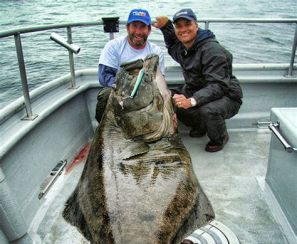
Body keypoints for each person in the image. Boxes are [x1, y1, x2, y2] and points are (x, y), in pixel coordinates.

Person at [154, 9, 243, 152]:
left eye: (187, 24)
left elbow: (218, 85)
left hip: (227, 95)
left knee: (208, 110)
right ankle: (200, 125)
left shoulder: (213, 50)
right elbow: (172, 46)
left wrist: (192, 100)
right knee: (169, 98)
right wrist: (166, 27)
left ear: (196, 25)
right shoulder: (185, 48)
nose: (183, 30)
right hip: (197, 90)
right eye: (179, 26)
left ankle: (220, 137)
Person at [95, 8, 165, 123]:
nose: (138, 32)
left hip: (146, 94)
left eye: (142, 27)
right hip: (120, 91)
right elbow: (104, 77)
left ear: (149, 30)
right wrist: (127, 88)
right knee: (106, 95)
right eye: (134, 26)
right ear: (127, 28)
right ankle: (104, 130)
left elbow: (159, 82)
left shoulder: (156, 51)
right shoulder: (113, 46)